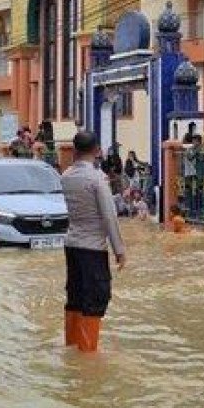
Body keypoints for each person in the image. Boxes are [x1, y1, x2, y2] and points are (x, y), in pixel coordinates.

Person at [60, 130, 126, 353]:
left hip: (72, 244)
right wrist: (120, 250)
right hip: (93, 248)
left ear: (75, 150)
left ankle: (71, 346)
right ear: (97, 151)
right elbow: (109, 216)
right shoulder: (97, 179)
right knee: (95, 299)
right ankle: (87, 355)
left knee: (75, 297)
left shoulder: (66, 176)